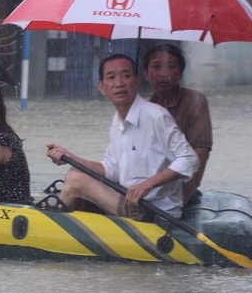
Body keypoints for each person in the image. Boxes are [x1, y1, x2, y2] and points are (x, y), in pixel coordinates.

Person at [46, 53, 198, 220]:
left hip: (152, 210)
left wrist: (147, 185)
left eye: (126, 75)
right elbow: (111, 170)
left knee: (75, 179)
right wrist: (70, 157)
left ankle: (47, 226)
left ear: (137, 81)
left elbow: (189, 159)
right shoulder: (117, 122)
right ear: (101, 87)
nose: (119, 83)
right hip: (125, 200)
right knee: (73, 172)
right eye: (111, 77)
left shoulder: (156, 116)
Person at [141, 43, 212, 205]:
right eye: (156, 67)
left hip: (178, 187)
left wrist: (184, 195)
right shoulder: (143, 108)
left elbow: (200, 153)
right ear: (145, 74)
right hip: (145, 187)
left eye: (170, 67)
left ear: (180, 73)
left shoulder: (195, 101)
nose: (163, 73)